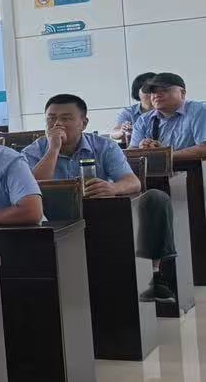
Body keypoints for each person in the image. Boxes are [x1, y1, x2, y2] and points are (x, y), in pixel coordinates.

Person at [30, 92, 175, 299]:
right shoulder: (34, 150)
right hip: (54, 219)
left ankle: (155, 276)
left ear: (84, 123)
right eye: (51, 118)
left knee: (156, 198)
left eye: (66, 118)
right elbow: (32, 188)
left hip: (100, 215)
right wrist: (53, 149)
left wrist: (113, 188)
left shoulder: (104, 146)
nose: (57, 124)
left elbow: (132, 182)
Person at [132, 72, 206, 163]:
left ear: (182, 93)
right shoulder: (144, 120)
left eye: (164, 90)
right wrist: (143, 149)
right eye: (153, 91)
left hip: (193, 170)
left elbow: (204, 148)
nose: (156, 95)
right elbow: (132, 153)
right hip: (157, 171)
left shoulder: (200, 111)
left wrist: (164, 155)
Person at [114, 72, 156, 140]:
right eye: (147, 90)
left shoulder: (167, 111)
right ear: (137, 91)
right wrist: (122, 132)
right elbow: (115, 133)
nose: (152, 94)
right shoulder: (128, 112)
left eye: (155, 89)